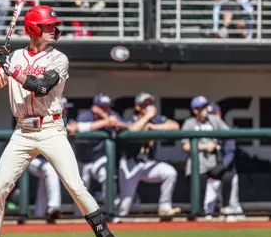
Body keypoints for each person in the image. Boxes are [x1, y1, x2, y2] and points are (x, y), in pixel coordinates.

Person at [0, 5, 118, 237]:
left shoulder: (58, 58)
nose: (53, 29)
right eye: (47, 26)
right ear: (33, 28)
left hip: (51, 128)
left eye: (53, 25)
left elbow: (41, 87)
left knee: (75, 186)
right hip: (22, 131)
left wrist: (11, 70)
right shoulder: (16, 57)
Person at [116, 92, 181, 220]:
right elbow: (132, 130)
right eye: (145, 104)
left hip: (148, 163)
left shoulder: (156, 120)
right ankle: (117, 222)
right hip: (130, 164)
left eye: (150, 104)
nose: (149, 107)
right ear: (138, 107)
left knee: (170, 172)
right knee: (125, 204)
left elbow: (175, 126)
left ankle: (164, 207)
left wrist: (154, 126)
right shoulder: (131, 119)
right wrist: (147, 117)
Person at [181, 96, 236, 219]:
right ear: (195, 110)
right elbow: (185, 146)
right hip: (197, 164)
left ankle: (225, 207)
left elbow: (229, 133)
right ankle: (198, 214)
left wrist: (219, 144)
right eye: (202, 107)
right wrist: (205, 146)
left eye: (206, 106)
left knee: (227, 175)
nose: (206, 109)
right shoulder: (189, 123)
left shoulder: (214, 120)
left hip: (213, 162)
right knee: (199, 188)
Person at [72, 94, 126, 205]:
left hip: (99, 158)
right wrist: (106, 121)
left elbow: (121, 124)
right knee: (80, 190)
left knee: (108, 176)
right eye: (102, 107)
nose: (107, 109)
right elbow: (76, 128)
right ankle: (78, 217)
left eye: (108, 107)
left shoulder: (112, 115)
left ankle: (109, 208)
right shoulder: (85, 116)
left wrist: (106, 117)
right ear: (94, 108)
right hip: (82, 160)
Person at [27, 96, 74, 222]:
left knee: (46, 180)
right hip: (34, 159)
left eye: (66, 109)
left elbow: (75, 127)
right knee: (49, 169)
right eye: (62, 109)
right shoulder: (40, 114)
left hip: (50, 160)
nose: (65, 111)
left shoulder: (67, 120)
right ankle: (54, 207)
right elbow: (24, 123)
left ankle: (39, 214)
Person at [204, 103, 244, 220]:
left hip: (227, 172)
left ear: (219, 114)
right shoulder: (205, 131)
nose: (212, 118)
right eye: (210, 115)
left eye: (214, 114)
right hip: (211, 174)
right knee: (208, 209)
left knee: (233, 207)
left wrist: (219, 169)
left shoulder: (226, 130)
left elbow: (230, 154)